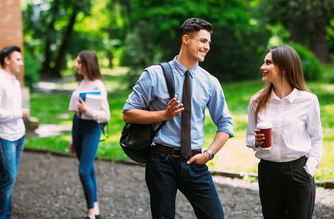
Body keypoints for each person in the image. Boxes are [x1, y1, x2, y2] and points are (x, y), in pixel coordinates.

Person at [122, 18, 234, 219]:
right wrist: (164, 114)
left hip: (195, 162)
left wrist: (209, 154)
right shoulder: (153, 75)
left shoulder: (210, 82)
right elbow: (128, 113)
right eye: (202, 41)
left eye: (208, 42)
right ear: (185, 39)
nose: (207, 47)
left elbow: (225, 123)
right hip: (161, 161)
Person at [246, 45, 323, 219]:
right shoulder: (256, 101)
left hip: (298, 170)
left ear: (284, 68)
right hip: (268, 173)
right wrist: (256, 141)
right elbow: (249, 138)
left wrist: (309, 169)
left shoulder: (308, 101)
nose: (262, 67)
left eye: (268, 63)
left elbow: (317, 139)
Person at [0, 45, 30, 219]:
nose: (21, 63)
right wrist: (19, 113)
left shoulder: (14, 82)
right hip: (4, 137)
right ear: (7, 60)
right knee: (8, 178)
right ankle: (0, 216)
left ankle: (6, 215)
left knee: (10, 179)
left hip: (18, 135)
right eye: (18, 59)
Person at [68, 50, 110, 219]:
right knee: (89, 168)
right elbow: (74, 114)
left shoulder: (98, 85)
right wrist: (72, 137)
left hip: (91, 129)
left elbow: (105, 116)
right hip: (78, 127)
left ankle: (90, 212)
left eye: (79, 62)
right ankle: (96, 208)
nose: (76, 65)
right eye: (76, 61)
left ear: (88, 64)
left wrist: (87, 110)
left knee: (84, 171)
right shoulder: (81, 83)